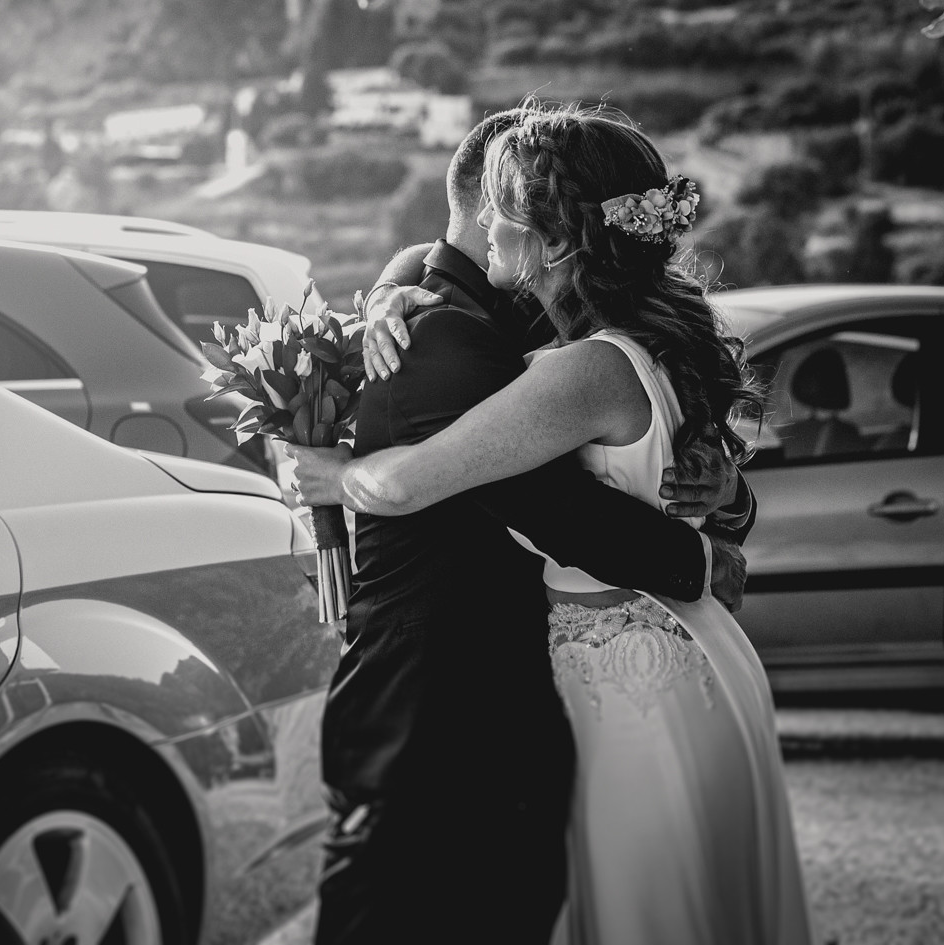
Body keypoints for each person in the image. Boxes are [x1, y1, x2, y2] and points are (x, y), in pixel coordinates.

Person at [290, 102, 814, 944]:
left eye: (510, 207)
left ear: (554, 234)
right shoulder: (566, 319)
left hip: (627, 683)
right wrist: (389, 289)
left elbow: (518, 501)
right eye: (490, 205)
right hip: (582, 683)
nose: (494, 224)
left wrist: (328, 474)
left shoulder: (573, 351)